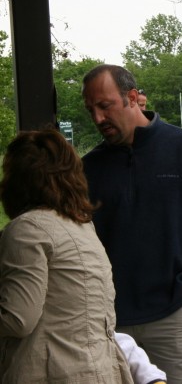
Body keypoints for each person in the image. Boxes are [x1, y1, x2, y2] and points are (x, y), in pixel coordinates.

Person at [81, 64, 182, 383]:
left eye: (105, 106)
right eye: (91, 110)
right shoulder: (88, 169)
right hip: (110, 323)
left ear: (131, 98)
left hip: (175, 317)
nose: (98, 119)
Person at [0, 129, 133, 383]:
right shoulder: (81, 225)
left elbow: (18, 319)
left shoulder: (28, 229)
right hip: (98, 371)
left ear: (17, 180)